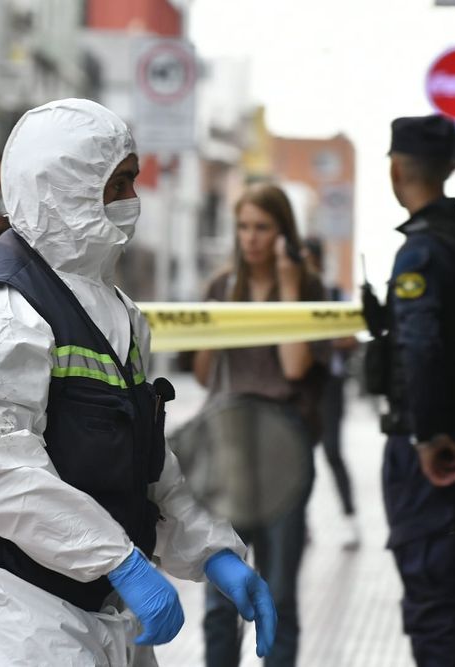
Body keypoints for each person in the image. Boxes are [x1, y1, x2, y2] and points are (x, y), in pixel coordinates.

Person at [0, 98, 276, 666]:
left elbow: (145, 457)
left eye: (133, 182)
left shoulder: (118, 312)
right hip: (5, 600)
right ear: (64, 185)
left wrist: (212, 551)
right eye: (118, 184)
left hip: (91, 590)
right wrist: (122, 561)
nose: (132, 202)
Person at [368, 114, 455, 666]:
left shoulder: (420, 252)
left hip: (432, 457)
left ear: (397, 170)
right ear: (447, 168)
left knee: (433, 608)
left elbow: (420, 350)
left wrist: (426, 437)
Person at [192, 183, 328, 667]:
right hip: (228, 442)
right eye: (244, 227)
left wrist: (290, 288)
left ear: (283, 232)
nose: (251, 238)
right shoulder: (221, 286)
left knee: (281, 590)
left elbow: (294, 369)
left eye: (262, 228)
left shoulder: (308, 288)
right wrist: (219, 320)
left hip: (283, 443)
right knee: (219, 594)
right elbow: (205, 374)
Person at [302, 235, 360, 551]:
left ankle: (351, 520)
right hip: (301, 387)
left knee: (333, 451)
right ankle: (302, 523)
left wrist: (320, 340)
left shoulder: (336, 295)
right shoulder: (291, 297)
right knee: (299, 456)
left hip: (330, 387)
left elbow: (351, 337)